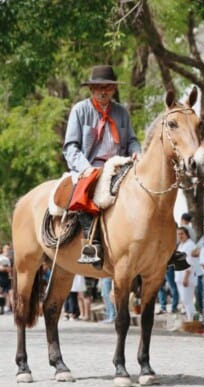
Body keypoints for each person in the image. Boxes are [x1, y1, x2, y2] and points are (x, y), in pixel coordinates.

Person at [63, 65, 141, 269]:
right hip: (90, 166)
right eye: (99, 87)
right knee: (86, 191)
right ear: (91, 89)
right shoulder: (80, 110)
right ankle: (91, 244)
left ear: (114, 89)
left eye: (108, 87)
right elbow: (70, 147)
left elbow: (132, 140)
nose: (103, 91)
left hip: (120, 165)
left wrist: (136, 151)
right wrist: (85, 167)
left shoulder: (121, 112)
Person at [174, 227, 198, 323]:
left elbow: (190, 262)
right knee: (184, 301)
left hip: (187, 277)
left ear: (187, 234)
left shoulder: (190, 245)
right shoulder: (180, 245)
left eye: (182, 233)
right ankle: (190, 320)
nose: (180, 236)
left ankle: (192, 320)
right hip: (179, 277)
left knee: (187, 300)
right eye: (178, 234)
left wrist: (186, 277)